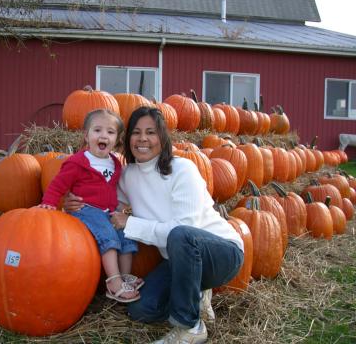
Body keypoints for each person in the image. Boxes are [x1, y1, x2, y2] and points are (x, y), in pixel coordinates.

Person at [64, 107, 244, 344]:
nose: (143, 139)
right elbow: (104, 203)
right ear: (127, 139)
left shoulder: (183, 169)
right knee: (141, 309)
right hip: (178, 262)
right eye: (136, 132)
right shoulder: (128, 175)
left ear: (162, 137)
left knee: (181, 235)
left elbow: (182, 229)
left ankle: (189, 328)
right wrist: (73, 201)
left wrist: (131, 224)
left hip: (222, 253)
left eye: (151, 132)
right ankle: (196, 294)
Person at [38, 109, 143, 303]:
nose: (104, 135)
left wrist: (121, 208)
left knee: (126, 234)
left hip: (107, 211)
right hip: (86, 209)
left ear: (117, 139)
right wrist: (49, 203)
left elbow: (114, 190)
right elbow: (58, 185)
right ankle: (113, 282)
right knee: (107, 234)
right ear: (86, 135)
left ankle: (124, 277)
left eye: (110, 132)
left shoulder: (115, 163)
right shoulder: (77, 163)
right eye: (97, 130)